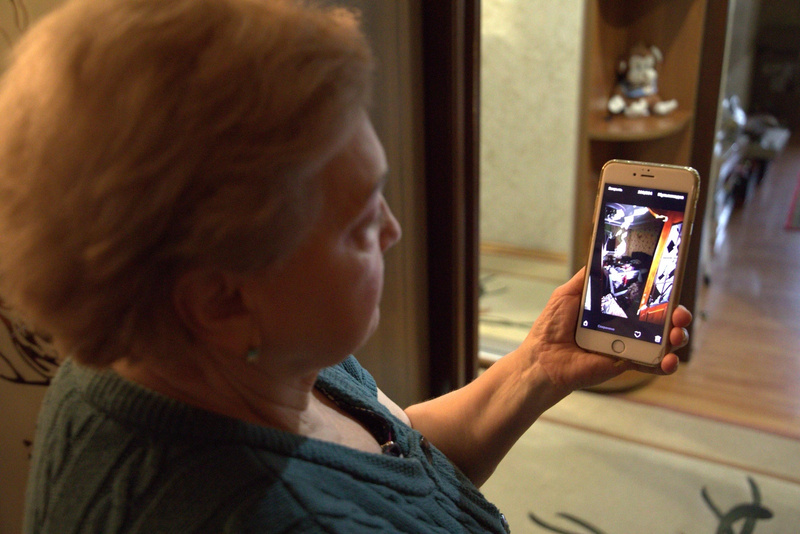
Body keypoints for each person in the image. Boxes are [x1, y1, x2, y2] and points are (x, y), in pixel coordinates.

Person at [0, 0, 692, 532]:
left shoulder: (192, 355)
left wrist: (535, 367)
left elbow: (392, 463)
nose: (393, 231)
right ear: (220, 300)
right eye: (360, 223)